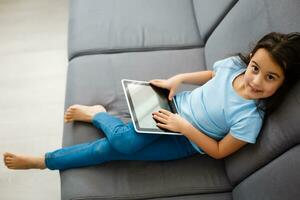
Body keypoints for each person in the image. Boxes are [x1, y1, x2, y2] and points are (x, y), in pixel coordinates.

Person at [3, 32, 300, 170]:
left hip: (187, 141)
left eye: (270, 78)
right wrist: (177, 79)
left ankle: (97, 115)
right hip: (171, 107)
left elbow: (220, 151)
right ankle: (45, 161)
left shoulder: (251, 117)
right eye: (255, 68)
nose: (256, 81)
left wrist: (183, 127)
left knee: (117, 149)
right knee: (121, 144)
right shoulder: (234, 67)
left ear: (283, 85)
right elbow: (211, 73)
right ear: (249, 61)